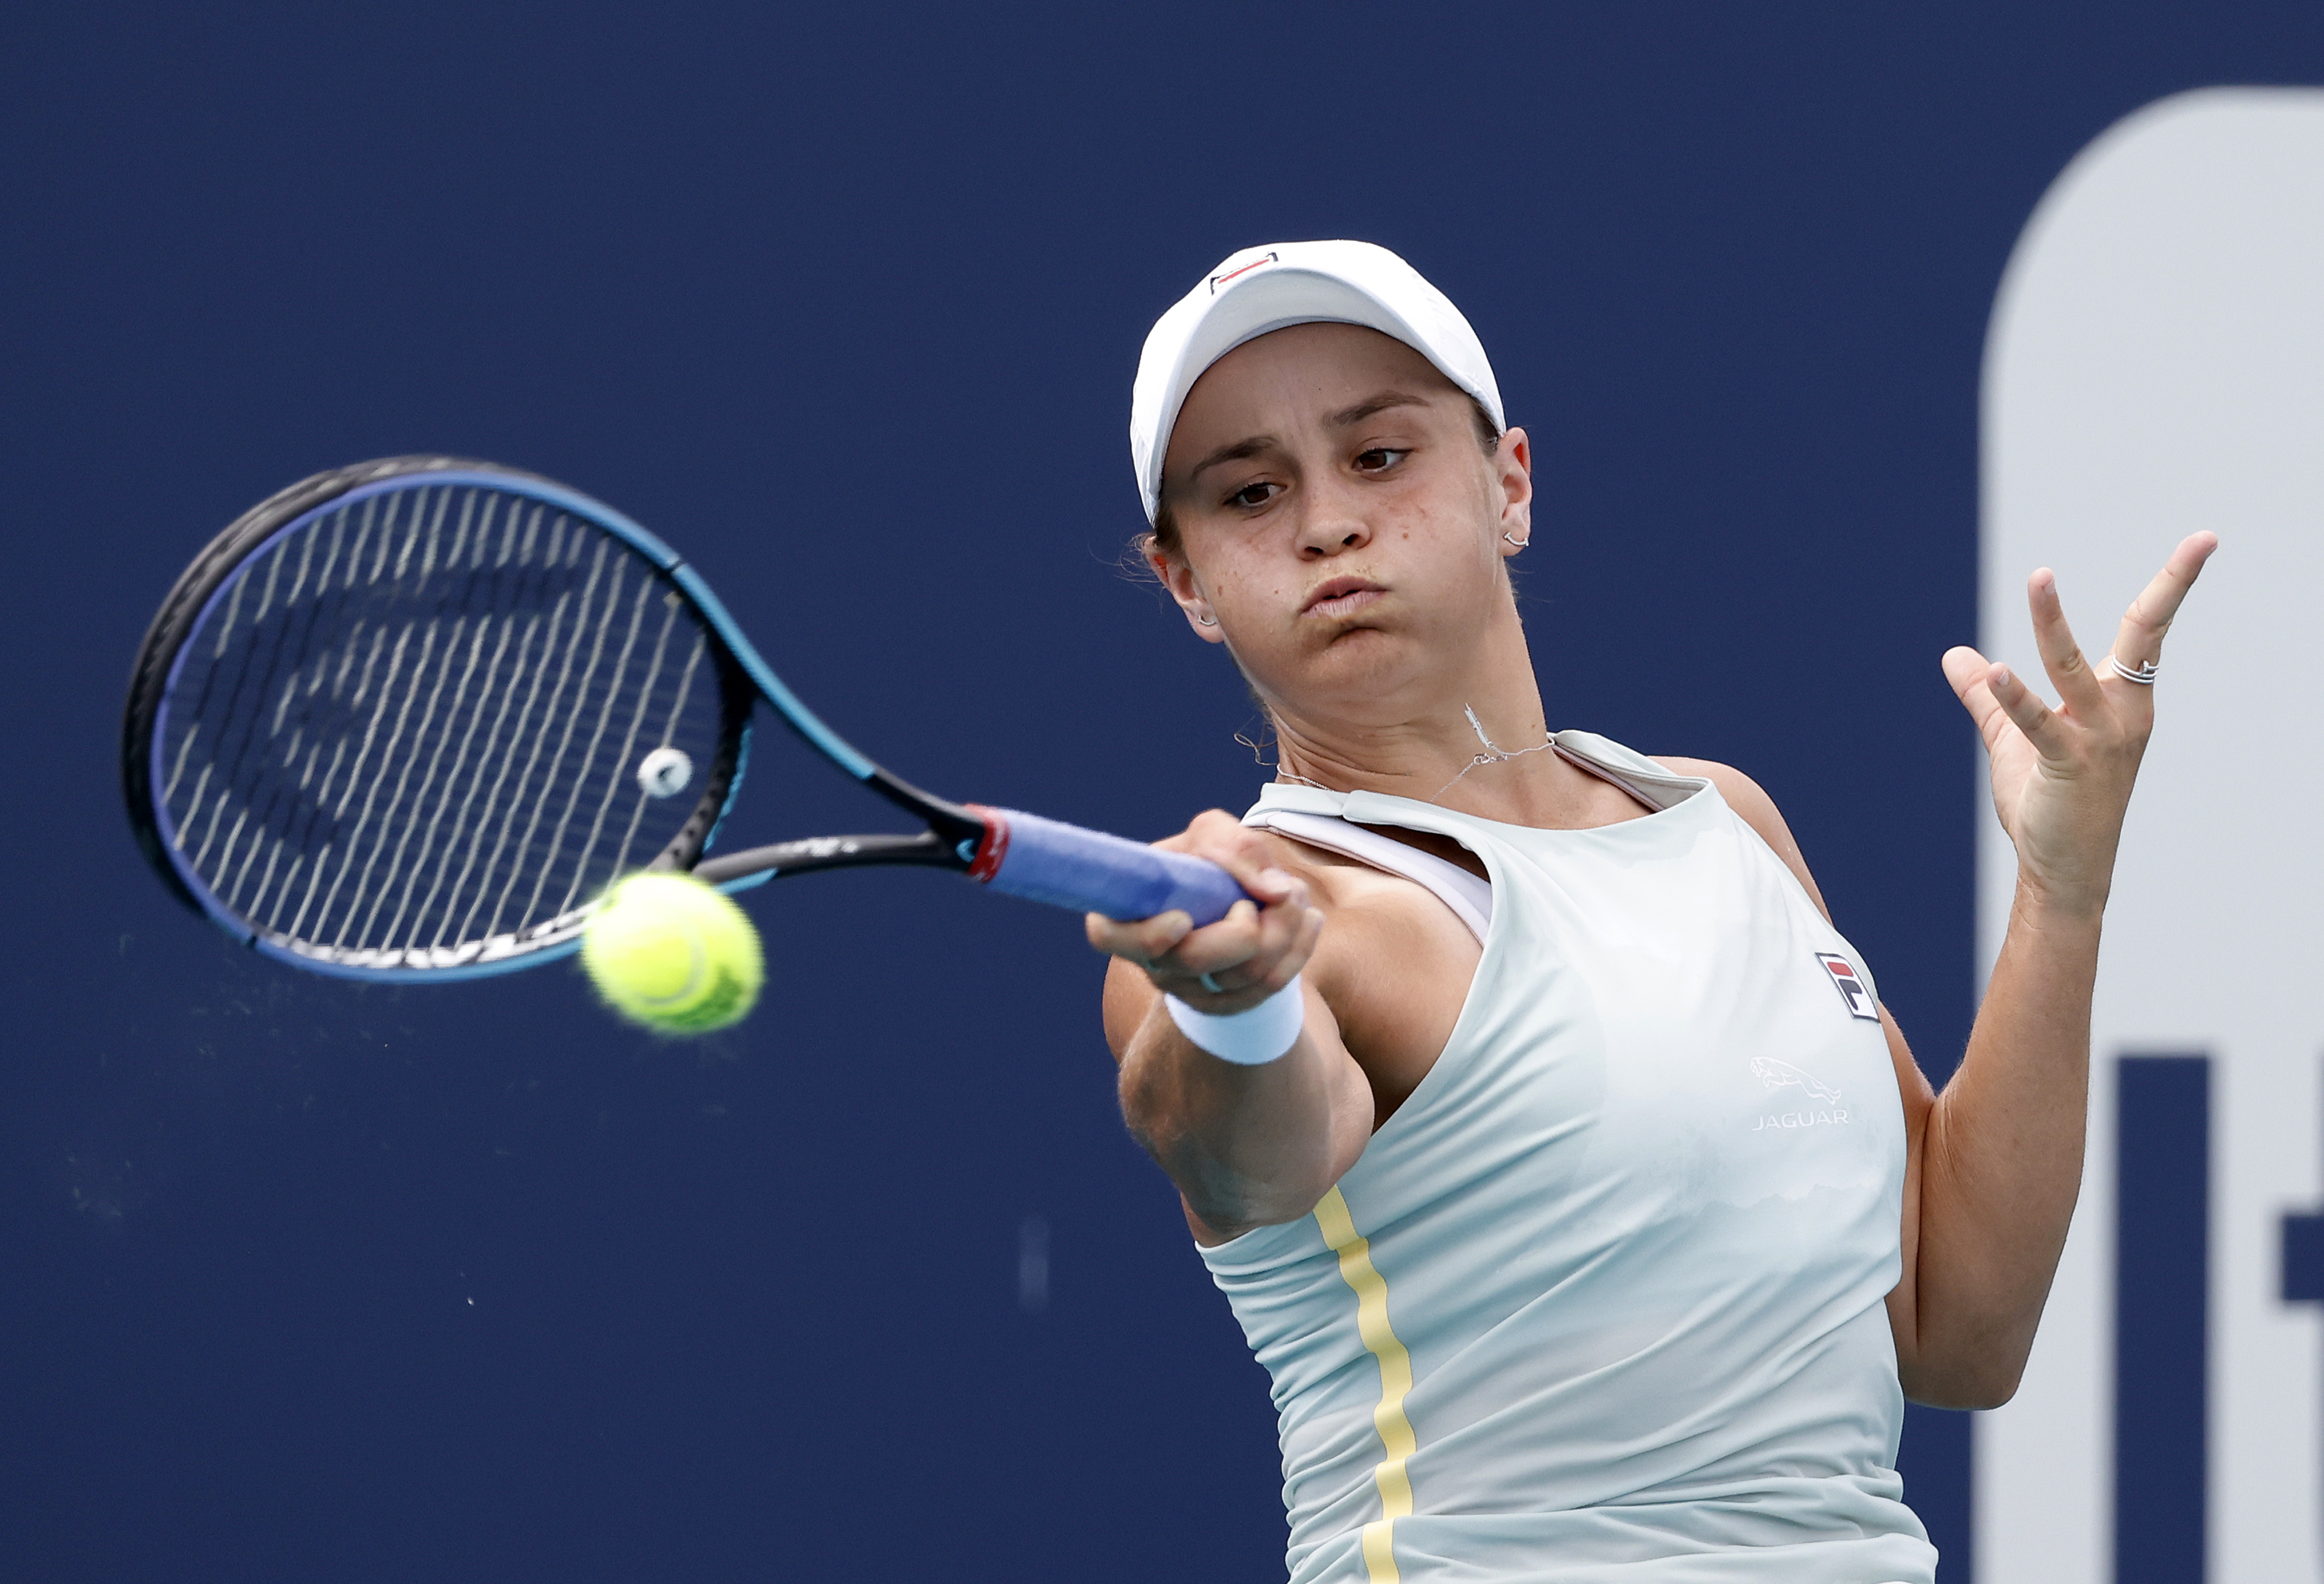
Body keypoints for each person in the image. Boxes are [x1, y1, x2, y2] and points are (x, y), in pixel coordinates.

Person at [1086, 240, 2215, 1583]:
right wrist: (1230, 1002)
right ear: (1187, 583)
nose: (1325, 522)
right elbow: (1239, 1158)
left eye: (1377, 456)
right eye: (1250, 492)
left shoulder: (1719, 819)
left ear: (1508, 482)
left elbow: (1956, 1319)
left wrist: (2060, 888)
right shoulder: (1280, 922)